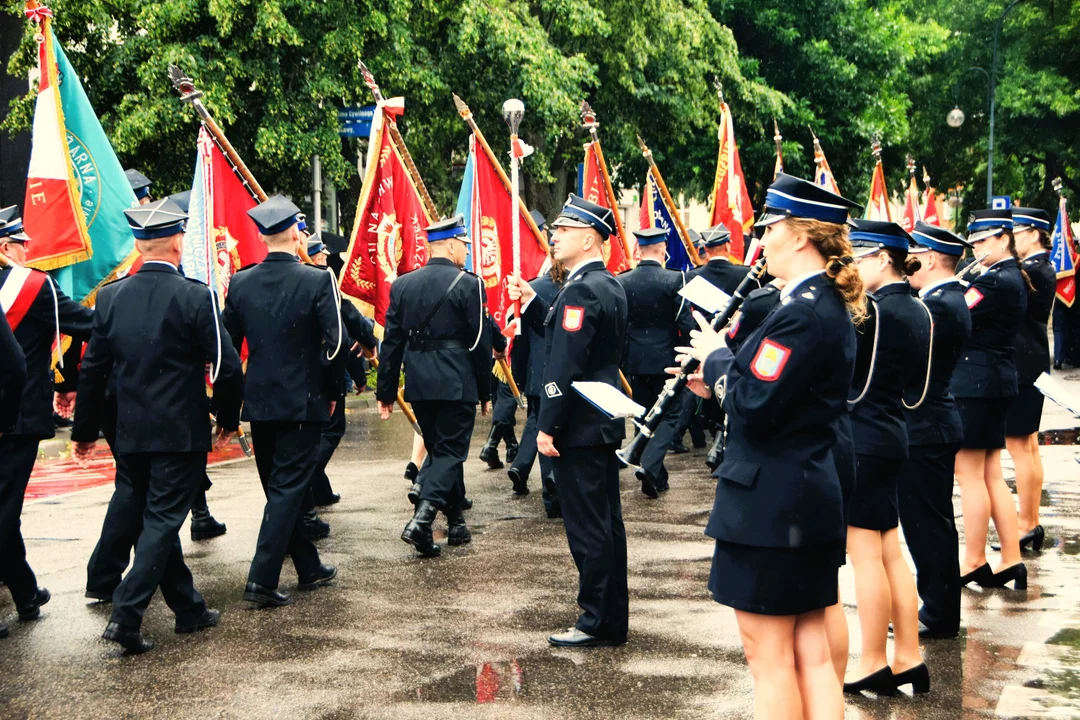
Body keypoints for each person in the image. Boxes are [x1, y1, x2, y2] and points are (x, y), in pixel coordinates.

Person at [680, 174, 862, 717]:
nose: (762, 240)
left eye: (770, 228)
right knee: (808, 652)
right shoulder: (817, 302)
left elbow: (755, 403)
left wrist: (715, 357)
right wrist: (717, 380)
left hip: (772, 502)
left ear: (800, 236)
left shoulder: (801, 311)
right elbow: (774, 394)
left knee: (770, 656)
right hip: (800, 493)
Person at [71, 198, 243, 654]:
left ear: (140, 245)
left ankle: (188, 607)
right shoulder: (196, 295)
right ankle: (126, 616)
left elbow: (94, 371)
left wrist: (85, 432)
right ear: (176, 241)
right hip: (177, 431)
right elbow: (226, 368)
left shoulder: (110, 297)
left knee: (156, 519)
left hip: (130, 432)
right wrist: (228, 419)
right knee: (164, 521)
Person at [508, 194, 628, 648]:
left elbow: (565, 364)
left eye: (563, 230)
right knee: (606, 525)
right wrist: (537, 302)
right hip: (598, 420)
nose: (553, 237)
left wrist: (547, 426)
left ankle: (595, 620)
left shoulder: (580, 289)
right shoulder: (607, 284)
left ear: (589, 237)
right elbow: (578, 339)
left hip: (576, 424)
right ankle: (610, 617)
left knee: (587, 529)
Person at [223, 195, 342, 607]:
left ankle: (308, 566)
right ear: (296, 232)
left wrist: (229, 403)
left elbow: (226, 346)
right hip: (302, 399)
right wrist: (334, 392)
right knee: (287, 489)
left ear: (260, 235)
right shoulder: (317, 279)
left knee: (281, 489)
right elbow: (335, 343)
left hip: (259, 401)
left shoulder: (240, 281)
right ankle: (260, 580)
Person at [843, 220, 932, 695]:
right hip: (893, 430)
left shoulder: (874, 311)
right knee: (890, 553)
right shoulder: (918, 307)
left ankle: (874, 659)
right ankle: (908, 654)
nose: (853, 266)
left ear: (882, 258)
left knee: (865, 557)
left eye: (859, 257)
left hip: (863, 436)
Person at [0, 206, 93, 634]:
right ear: (6, 247)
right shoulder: (33, 286)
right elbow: (86, 322)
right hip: (16, 417)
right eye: (21, 244)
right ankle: (23, 592)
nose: (26, 251)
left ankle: (24, 591)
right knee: (4, 513)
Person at [377, 215, 492, 557]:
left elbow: (392, 344)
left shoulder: (402, 285)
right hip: (456, 381)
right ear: (452, 244)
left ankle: (455, 523)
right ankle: (422, 521)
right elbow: (480, 343)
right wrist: (485, 391)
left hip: (420, 383)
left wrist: (385, 392)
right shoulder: (470, 284)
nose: (467, 253)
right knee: (450, 452)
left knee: (441, 449)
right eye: (465, 247)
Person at [896, 222, 973, 640]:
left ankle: (939, 613)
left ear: (925, 258)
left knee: (928, 526)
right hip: (932, 422)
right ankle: (938, 607)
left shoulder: (939, 305)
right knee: (931, 523)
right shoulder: (942, 299)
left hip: (926, 424)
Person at [952, 208, 1029, 590]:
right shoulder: (1004, 276)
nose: (977, 249)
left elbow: (958, 314)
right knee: (989, 474)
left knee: (970, 475)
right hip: (990, 383)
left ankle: (974, 558)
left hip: (977, 385)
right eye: (975, 242)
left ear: (1004, 238)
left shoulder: (997, 281)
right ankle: (1011, 557)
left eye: (983, 241)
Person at [616, 226, 693, 497]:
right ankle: (649, 466)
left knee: (643, 414)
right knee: (670, 416)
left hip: (635, 360)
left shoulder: (623, 280)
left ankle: (657, 474)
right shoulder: (674, 279)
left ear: (639, 250)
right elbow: (685, 322)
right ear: (662, 250)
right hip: (667, 359)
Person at [304, 236, 377, 507]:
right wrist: (368, 347)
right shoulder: (322, 282)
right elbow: (346, 328)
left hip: (296, 376)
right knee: (332, 430)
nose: (325, 261)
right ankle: (309, 479)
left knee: (312, 434)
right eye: (321, 257)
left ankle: (320, 490)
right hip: (324, 370)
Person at [1005, 207, 1055, 552]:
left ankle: (1026, 522)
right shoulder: (1037, 268)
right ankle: (1031, 520)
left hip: (1023, 364)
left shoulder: (1036, 269)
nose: (1013, 239)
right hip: (1029, 360)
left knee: (1020, 447)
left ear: (1034, 234)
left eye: (1018, 233)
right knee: (1028, 447)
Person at [508, 243, 565, 515]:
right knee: (563, 433)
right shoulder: (575, 288)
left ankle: (551, 495)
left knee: (543, 430)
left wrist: (519, 375)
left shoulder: (534, 288)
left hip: (537, 373)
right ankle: (559, 488)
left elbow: (520, 340)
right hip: (565, 373)